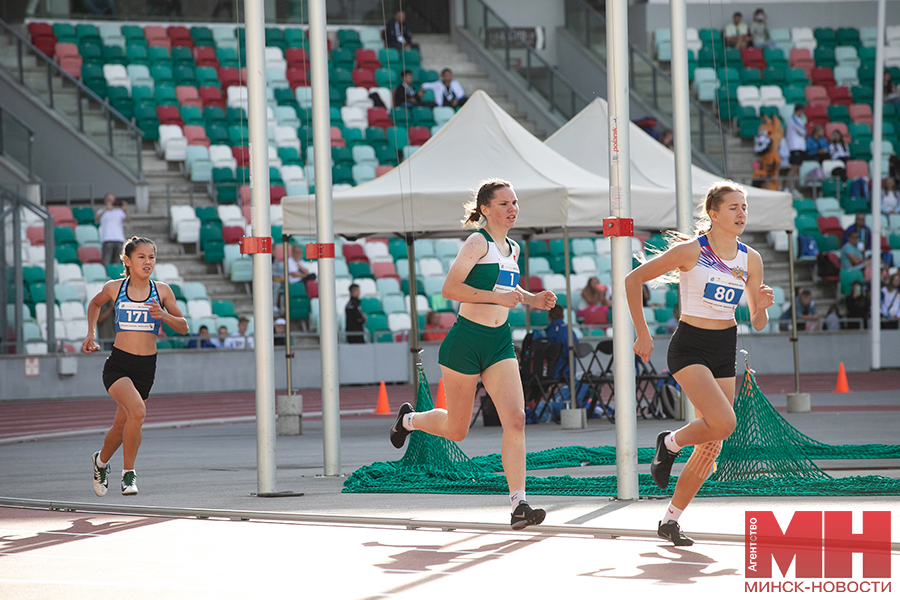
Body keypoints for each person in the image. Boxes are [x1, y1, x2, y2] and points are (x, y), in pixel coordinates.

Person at [389, 179, 557, 530]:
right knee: (457, 429)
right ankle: (409, 420)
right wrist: (499, 298)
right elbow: (450, 289)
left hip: (499, 341)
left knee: (516, 419)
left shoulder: (513, 247)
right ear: (485, 209)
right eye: (503, 204)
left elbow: (508, 288)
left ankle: (519, 505)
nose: (512, 209)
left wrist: (532, 299)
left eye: (515, 202)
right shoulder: (477, 241)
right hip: (466, 342)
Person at [625, 181, 774, 546]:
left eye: (745, 207)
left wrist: (764, 307)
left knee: (713, 443)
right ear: (713, 213)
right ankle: (670, 442)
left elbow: (756, 321)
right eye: (734, 207)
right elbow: (633, 279)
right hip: (690, 346)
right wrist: (643, 335)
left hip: (725, 345)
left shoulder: (750, 258)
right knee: (724, 422)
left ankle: (670, 520)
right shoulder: (692, 251)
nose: (742, 214)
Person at [83, 237, 188, 497]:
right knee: (138, 412)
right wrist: (90, 333)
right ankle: (128, 474)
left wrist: (163, 315)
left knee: (122, 426)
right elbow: (95, 304)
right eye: (141, 257)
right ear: (127, 261)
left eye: (152, 257)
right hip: (118, 365)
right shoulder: (115, 288)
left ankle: (101, 462)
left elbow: (184, 326)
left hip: (145, 367)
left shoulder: (162, 291)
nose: (148, 261)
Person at [545, 304, 577, 379]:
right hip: (572, 366)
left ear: (549, 316)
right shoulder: (569, 329)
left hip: (559, 367)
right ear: (563, 316)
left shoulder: (552, 331)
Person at [96, 193, 128, 266]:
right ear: (105, 201)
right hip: (107, 239)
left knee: (117, 261)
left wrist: (125, 210)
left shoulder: (119, 212)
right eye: (109, 200)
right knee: (106, 261)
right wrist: (106, 209)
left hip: (119, 239)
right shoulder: (101, 211)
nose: (111, 202)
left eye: (112, 200)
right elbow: (97, 219)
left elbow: (127, 220)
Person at [785, 105, 808, 196]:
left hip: (800, 147)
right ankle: (787, 187)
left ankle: (793, 187)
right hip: (795, 146)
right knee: (794, 167)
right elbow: (803, 131)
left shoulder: (798, 120)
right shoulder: (793, 119)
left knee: (797, 168)